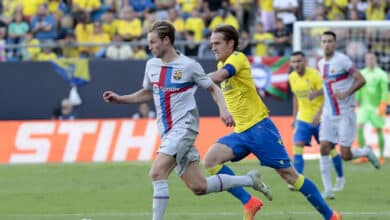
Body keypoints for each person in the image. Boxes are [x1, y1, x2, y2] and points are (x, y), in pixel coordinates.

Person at [102, 21, 271, 220]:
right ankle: (249, 179)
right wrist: (120, 99)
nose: (149, 46)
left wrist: (224, 110)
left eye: (153, 42)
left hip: (184, 128)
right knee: (199, 186)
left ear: (166, 41)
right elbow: (148, 93)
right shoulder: (151, 65)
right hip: (167, 132)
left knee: (157, 172)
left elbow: (213, 88)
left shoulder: (189, 66)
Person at [204, 25, 341, 220]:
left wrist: (194, 77)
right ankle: (249, 202)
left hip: (260, 129)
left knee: (290, 176)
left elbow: (216, 78)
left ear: (230, 43)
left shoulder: (237, 58)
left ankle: (330, 216)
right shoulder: (220, 65)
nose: (213, 48)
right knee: (210, 160)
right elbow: (213, 87)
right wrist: (223, 109)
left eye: (217, 43)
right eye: (211, 44)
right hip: (241, 132)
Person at [316, 31, 380, 200]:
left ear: (335, 44)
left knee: (345, 155)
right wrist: (316, 100)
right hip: (329, 114)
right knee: (324, 147)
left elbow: (361, 79)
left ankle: (365, 151)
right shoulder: (321, 63)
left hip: (345, 114)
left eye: (330, 41)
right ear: (321, 44)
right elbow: (326, 87)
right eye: (324, 41)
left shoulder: (343, 60)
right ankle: (328, 189)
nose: (327, 44)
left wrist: (346, 93)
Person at [288, 51, 344, 191]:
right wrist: (294, 117)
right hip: (303, 118)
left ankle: (340, 178)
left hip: (321, 118)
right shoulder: (292, 77)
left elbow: (327, 93)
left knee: (330, 148)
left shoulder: (314, 75)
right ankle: (297, 180)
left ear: (305, 61)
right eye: (294, 61)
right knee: (297, 145)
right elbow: (296, 97)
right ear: (291, 63)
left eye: (299, 61)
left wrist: (319, 114)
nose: (296, 64)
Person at [354, 53, 388, 165]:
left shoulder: (381, 74)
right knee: (359, 128)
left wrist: (383, 104)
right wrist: (356, 101)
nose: (369, 61)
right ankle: (363, 155)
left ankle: (381, 156)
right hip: (364, 106)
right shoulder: (362, 73)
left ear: (375, 60)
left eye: (371, 59)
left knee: (378, 130)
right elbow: (358, 89)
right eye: (367, 59)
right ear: (365, 60)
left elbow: (385, 91)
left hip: (376, 107)